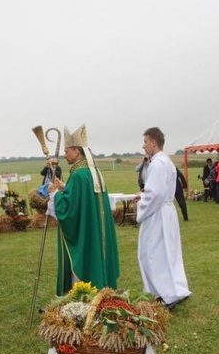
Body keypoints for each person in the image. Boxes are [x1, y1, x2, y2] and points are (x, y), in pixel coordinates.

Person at [48, 124, 119, 295]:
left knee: (84, 263)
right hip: (94, 228)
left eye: (67, 151)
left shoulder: (79, 174)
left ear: (77, 152)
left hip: (85, 233)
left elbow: (69, 209)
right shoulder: (92, 172)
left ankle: (82, 297)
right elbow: (84, 198)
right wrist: (65, 188)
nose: (65, 155)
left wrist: (55, 194)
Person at [132, 127, 190, 310]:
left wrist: (141, 207)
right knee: (168, 254)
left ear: (154, 142)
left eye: (145, 142)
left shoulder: (157, 163)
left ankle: (166, 294)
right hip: (166, 211)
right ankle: (173, 290)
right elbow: (159, 190)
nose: (143, 146)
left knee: (153, 253)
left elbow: (155, 193)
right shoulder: (166, 161)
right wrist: (143, 195)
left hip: (157, 214)